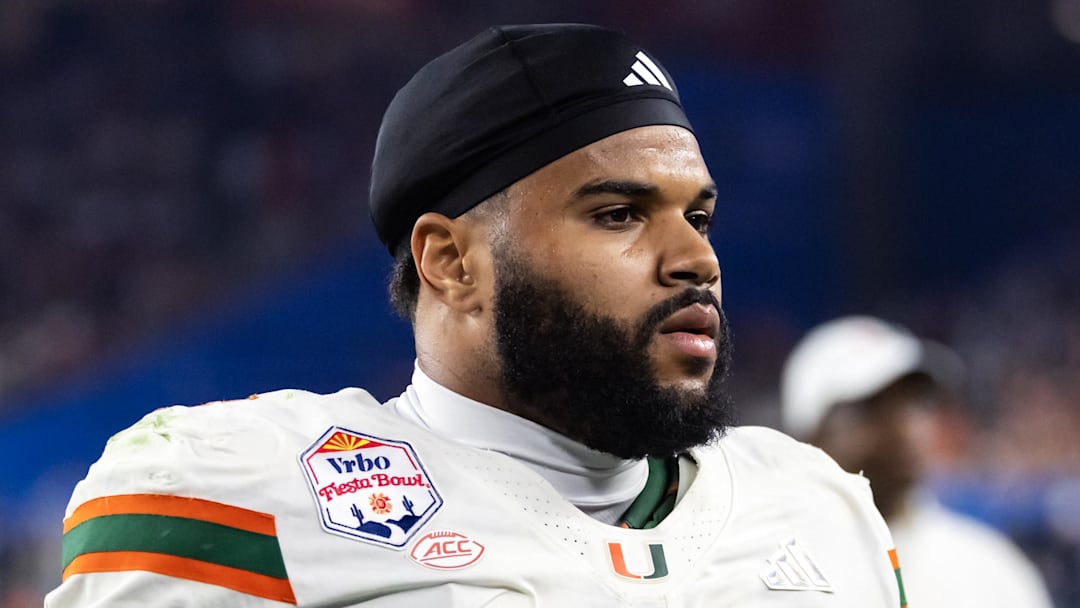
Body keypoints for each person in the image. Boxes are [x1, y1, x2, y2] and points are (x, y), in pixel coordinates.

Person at [47, 24, 905, 606]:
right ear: (452, 262)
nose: (695, 259)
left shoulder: (816, 511)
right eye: (618, 214)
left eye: (699, 216)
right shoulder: (249, 494)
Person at [781, 315, 1054, 608]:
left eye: (916, 401)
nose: (907, 425)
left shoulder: (988, 567)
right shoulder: (764, 563)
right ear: (808, 435)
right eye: (872, 404)